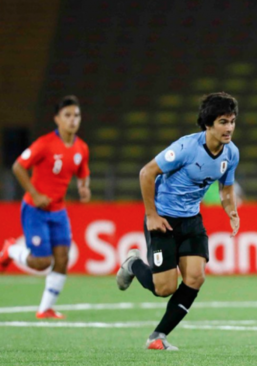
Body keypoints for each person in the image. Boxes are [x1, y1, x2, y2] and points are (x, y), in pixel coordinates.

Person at [116, 92, 240, 351]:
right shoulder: (185, 148)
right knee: (164, 288)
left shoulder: (232, 153)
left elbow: (226, 189)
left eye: (232, 121)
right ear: (208, 124)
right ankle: (133, 263)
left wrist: (231, 210)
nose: (229, 128)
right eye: (222, 122)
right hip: (163, 219)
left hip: (191, 220)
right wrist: (151, 214)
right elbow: (146, 172)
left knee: (195, 277)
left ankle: (158, 336)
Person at [0, 95, 91, 319]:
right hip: (35, 210)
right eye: (67, 115)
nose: (72, 120)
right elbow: (18, 167)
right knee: (42, 262)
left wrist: (84, 187)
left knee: (62, 259)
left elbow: (82, 171)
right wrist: (34, 193)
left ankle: (45, 308)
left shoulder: (81, 148)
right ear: (57, 119)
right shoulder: (45, 144)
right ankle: (11, 248)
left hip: (58, 211)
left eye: (76, 115)